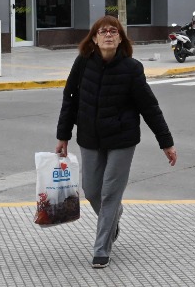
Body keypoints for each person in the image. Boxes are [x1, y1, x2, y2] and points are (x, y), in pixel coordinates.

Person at [56, 16, 177, 269]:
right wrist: (63, 135)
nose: (108, 35)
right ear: (94, 38)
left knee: (110, 193)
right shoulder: (83, 63)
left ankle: (101, 248)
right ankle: (114, 217)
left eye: (114, 31)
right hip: (90, 137)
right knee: (91, 190)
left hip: (122, 139)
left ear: (120, 38)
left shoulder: (132, 68)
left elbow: (149, 107)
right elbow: (70, 99)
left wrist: (166, 142)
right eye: (103, 31)